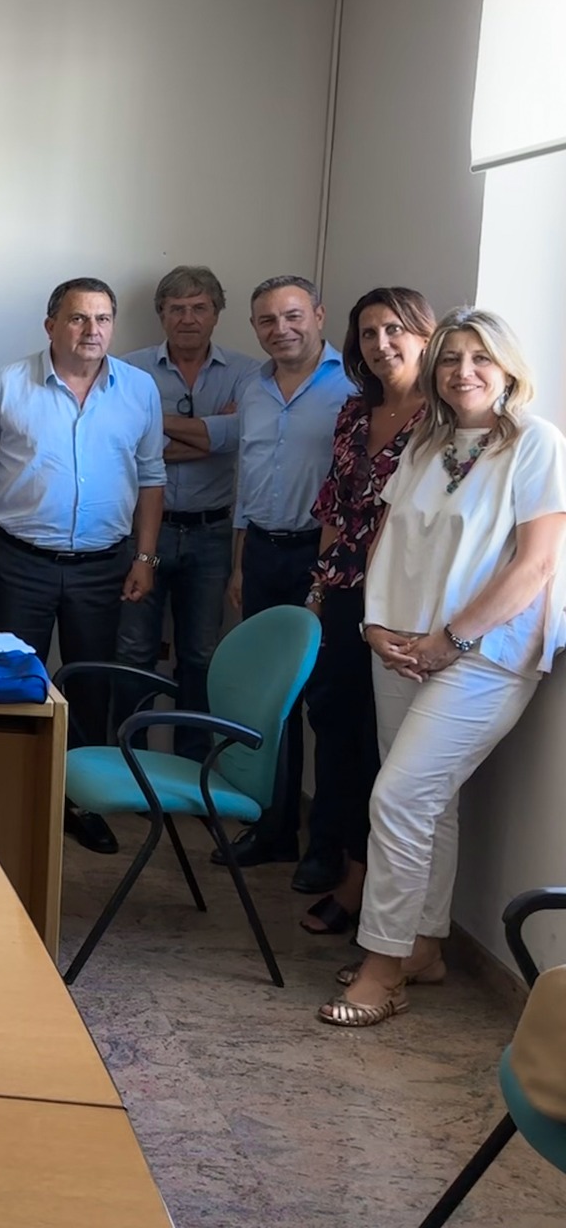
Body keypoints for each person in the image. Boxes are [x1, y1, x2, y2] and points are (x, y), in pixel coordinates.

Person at [323, 309, 566, 1027]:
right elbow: (388, 538)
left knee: (398, 799)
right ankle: (424, 947)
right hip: (402, 646)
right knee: (431, 803)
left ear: (508, 367)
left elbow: (536, 566)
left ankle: (383, 967)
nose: (464, 371)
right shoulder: (427, 443)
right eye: (452, 358)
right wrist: (373, 623)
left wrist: (450, 641)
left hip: (484, 655)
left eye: (480, 357)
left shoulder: (536, 444)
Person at [0, 277, 165, 855]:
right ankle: (3, 795)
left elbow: (152, 477)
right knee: (9, 680)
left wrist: (145, 557)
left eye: (102, 319)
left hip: (104, 565)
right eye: (77, 318)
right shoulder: (6, 384)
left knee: (91, 686)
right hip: (18, 560)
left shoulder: (139, 390)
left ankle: (80, 803)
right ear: (51, 325)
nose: (91, 330)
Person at [295, 287, 435, 937]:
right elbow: (335, 506)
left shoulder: (442, 419)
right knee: (338, 729)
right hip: (347, 590)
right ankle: (345, 868)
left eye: (395, 330)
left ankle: (369, 888)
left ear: (425, 335)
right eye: (370, 333)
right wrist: (320, 590)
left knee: (386, 745)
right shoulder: (355, 412)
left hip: (404, 598)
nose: (382, 344)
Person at [211, 276, 351, 874]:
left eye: (293, 315)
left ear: (318, 314)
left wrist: (324, 577)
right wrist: (241, 562)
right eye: (267, 320)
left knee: (327, 705)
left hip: (323, 559)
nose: (281, 329)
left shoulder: (352, 387)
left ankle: (326, 850)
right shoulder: (254, 387)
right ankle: (274, 830)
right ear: (254, 328)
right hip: (264, 552)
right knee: (269, 702)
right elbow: (248, 478)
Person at [116, 267, 256, 759]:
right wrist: (210, 435)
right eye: (176, 309)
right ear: (161, 315)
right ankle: (126, 761)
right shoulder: (129, 370)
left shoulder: (248, 372)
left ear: (216, 313)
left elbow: (240, 437)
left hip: (211, 533)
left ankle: (193, 765)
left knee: (201, 655)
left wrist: (157, 426)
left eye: (199, 308)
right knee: (133, 651)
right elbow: (127, 448)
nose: (188, 318)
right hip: (143, 533)